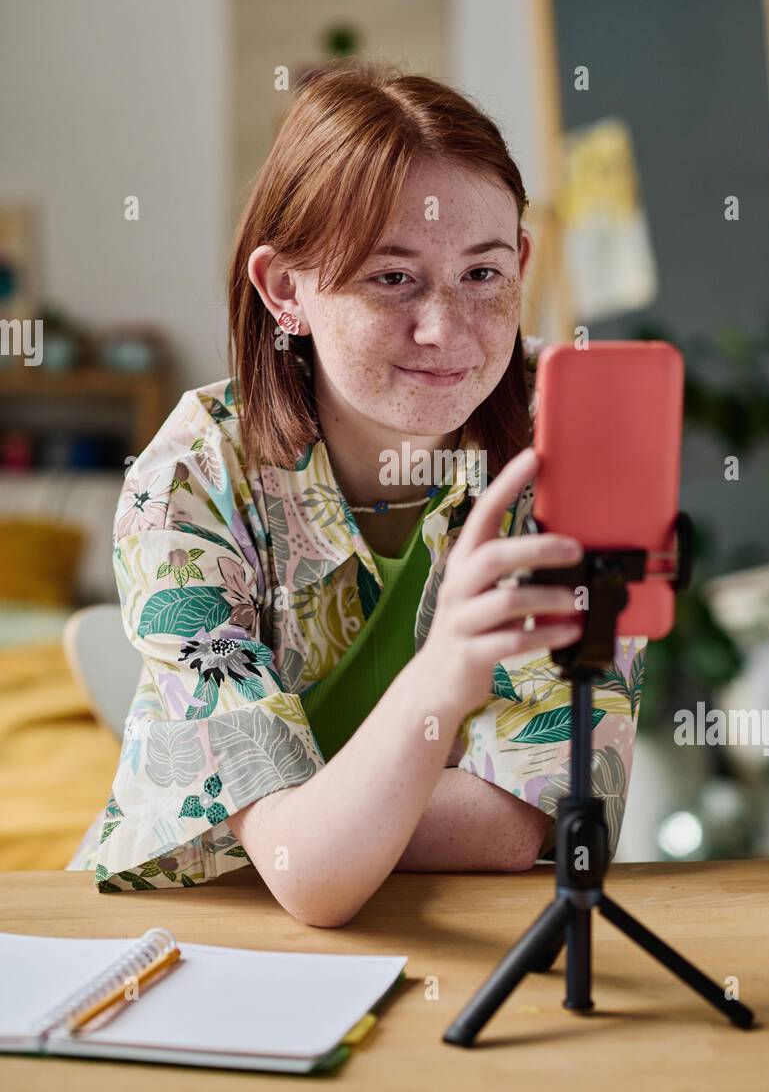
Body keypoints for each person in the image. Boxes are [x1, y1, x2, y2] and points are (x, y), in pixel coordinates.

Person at [70, 62, 647, 926]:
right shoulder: (191, 480)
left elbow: (524, 823)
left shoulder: (576, 454)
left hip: (471, 929)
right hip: (215, 934)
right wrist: (446, 680)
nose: (446, 329)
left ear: (521, 263)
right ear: (285, 289)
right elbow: (312, 878)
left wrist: (304, 815)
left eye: (483, 274)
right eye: (392, 278)